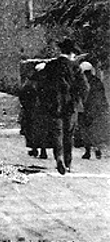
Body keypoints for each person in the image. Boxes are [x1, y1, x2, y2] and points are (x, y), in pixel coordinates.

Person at [43, 38, 90, 175]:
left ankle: (58, 158)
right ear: (72, 53)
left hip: (54, 105)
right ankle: (68, 163)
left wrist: (46, 101)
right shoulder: (75, 67)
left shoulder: (50, 66)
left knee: (57, 133)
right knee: (69, 134)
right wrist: (79, 101)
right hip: (70, 106)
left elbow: (42, 86)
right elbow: (85, 87)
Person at [18, 63, 51, 159]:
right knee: (44, 130)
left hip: (32, 110)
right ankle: (43, 150)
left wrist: (26, 106)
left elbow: (23, 95)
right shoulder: (49, 82)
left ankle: (35, 148)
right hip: (44, 110)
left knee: (32, 130)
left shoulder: (31, 82)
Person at [78, 62, 110, 160]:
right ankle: (97, 148)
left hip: (84, 108)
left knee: (85, 130)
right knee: (94, 130)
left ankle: (87, 151)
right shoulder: (97, 81)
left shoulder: (81, 81)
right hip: (95, 109)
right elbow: (102, 96)